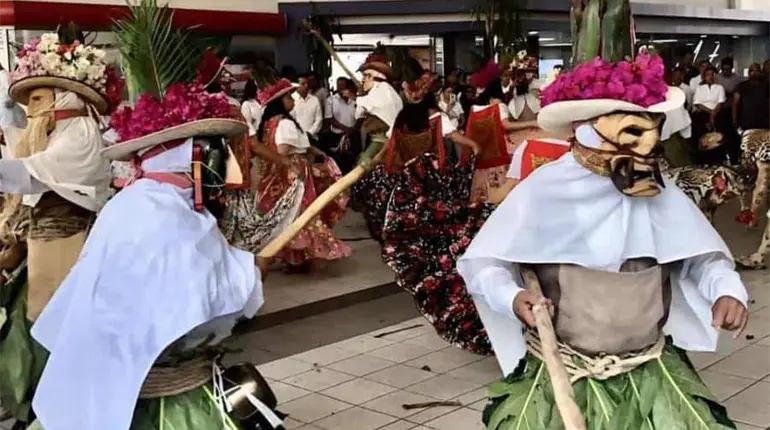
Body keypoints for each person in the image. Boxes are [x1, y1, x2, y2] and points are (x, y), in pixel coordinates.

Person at [460, 52, 747, 429]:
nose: (646, 147)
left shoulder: (656, 190)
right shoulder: (544, 190)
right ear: (586, 127)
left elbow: (699, 255)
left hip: (650, 370)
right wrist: (511, 296)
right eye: (632, 131)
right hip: (563, 372)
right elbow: (484, 262)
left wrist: (726, 289)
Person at [0, 28, 121, 429]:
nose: (30, 110)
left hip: (65, 241)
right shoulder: (64, 132)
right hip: (47, 242)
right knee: (44, 322)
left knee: (59, 324)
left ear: (63, 96)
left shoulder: (80, 133)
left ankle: (61, 403)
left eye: (37, 99)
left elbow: (30, 177)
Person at [256, 79, 350, 272]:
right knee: (299, 213)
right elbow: (283, 150)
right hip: (293, 171)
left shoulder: (269, 123)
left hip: (279, 173)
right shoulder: (285, 124)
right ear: (280, 101)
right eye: (289, 97)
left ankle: (292, 256)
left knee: (286, 215)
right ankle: (297, 258)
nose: (292, 100)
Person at [349, 52, 404, 242]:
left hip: (384, 144)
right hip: (378, 141)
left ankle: (382, 223)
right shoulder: (380, 93)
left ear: (377, 79)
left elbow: (362, 110)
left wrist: (359, 96)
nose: (363, 80)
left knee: (368, 176)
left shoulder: (382, 93)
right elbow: (360, 113)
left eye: (367, 76)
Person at [692, 66, 727, 164]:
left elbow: (720, 103)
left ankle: (718, 160)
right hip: (703, 114)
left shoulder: (719, 87)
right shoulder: (699, 88)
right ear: (704, 77)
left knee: (717, 138)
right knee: (703, 139)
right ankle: (704, 162)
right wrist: (710, 113)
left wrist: (714, 114)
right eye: (708, 75)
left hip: (717, 114)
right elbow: (698, 103)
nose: (710, 77)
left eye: (712, 75)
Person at [323, 79, 358, 173]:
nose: (341, 89)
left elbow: (361, 116)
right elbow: (329, 118)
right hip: (337, 136)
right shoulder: (331, 100)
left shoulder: (354, 100)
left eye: (343, 86)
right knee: (339, 164)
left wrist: (353, 129)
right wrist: (345, 129)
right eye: (339, 87)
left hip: (353, 135)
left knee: (353, 162)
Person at [733, 63, 770, 133]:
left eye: (757, 71)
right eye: (752, 71)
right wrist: (734, 120)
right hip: (746, 123)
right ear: (749, 73)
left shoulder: (767, 86)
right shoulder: (741, 86)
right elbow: (735, 104)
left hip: (764, 123)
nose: (754, 73)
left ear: (760, 72)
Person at [292, 73, 323, 142]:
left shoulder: (315, 99)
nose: (306, 86)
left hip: (312, 138)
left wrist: (310, 133)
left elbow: (319, 119)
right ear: (296, 86)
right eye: (303, 84)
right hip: (296, 139)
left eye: (307, 83)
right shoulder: (291, 100)